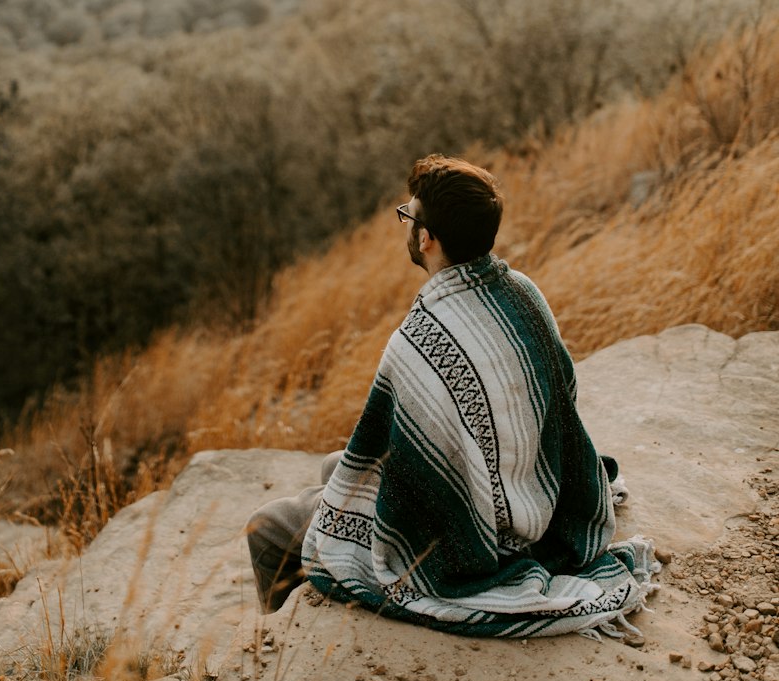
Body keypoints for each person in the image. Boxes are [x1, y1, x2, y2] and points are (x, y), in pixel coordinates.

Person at [246, 154, 657, 637]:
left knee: (268, 528)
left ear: (426, 238)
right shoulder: (525, 293)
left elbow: (398, 461)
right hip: (536, 493)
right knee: (334, 466)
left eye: (410, 215)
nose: (408, 223)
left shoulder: (419, 341)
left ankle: (283, 643)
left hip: (479, 536)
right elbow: (563, 403)